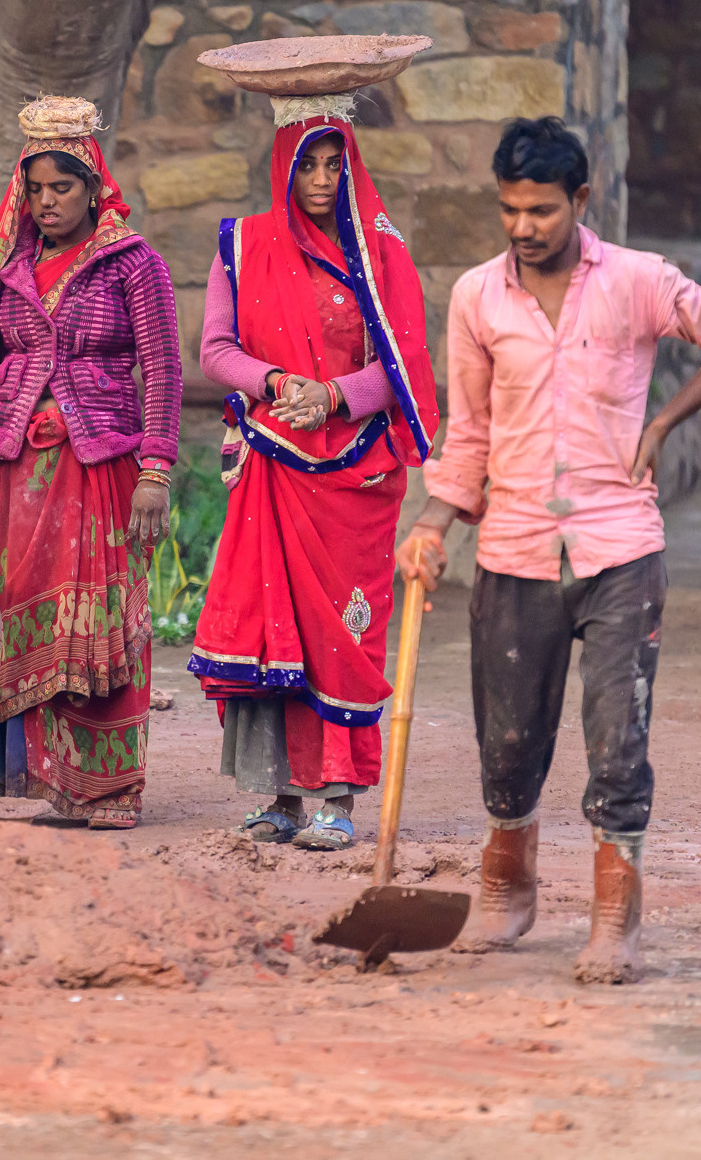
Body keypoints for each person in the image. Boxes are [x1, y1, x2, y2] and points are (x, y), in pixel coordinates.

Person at [394, 116, 701, 983]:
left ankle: (615, 914)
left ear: (581, 202)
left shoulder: (635, 280)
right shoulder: (478, 297)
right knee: (508, 736)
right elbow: (470, 430)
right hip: (515, 547)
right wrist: (431, 523)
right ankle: (508, 888)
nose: (523, 228)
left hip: (620, 550)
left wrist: (665, 421)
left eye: (541, 211)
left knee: (617, 738)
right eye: (510, 209)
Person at [189, 104, 438, 852]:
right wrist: (273, 382)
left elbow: (403, 366)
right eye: (308, 165)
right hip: (274, 459)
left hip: (354, 476)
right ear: (283, 167)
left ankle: (337, 796)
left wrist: (332, 396)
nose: (323, 180)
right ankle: (281, 797)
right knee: (275, 628)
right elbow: (214, 348)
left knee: (346, 635)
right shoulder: (243, 243)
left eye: (335, 163)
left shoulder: (381, 255)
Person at [0, 97, 181, 829]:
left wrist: (155, 473)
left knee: (98, 621)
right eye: (36, 189)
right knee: (20, 621)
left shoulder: (133, 263)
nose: (48, 203)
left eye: (63, 188)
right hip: (16, 475)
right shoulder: (6, 273)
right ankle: (35, 778)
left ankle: (102, 788)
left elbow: (163, 371)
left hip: (98, 466)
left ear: (93, 185)